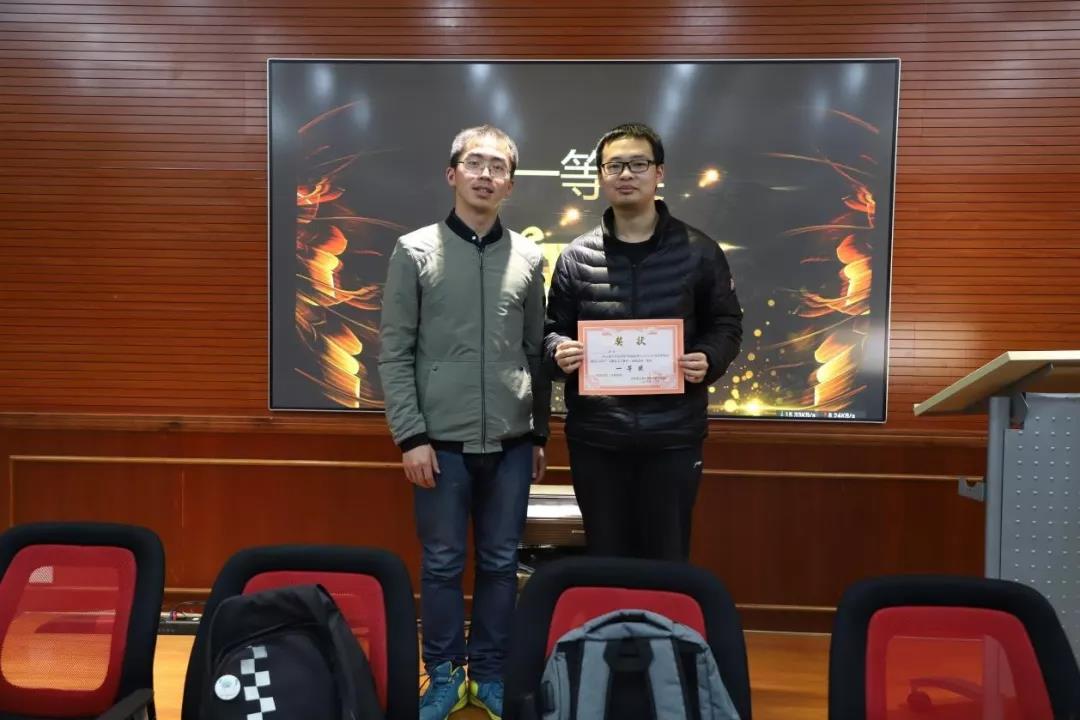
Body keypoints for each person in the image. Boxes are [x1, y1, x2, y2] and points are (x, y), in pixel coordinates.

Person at [379, 124, 549, 720]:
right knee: (443, 565)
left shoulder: (528, 256)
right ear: (452, 174)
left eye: (498, 167)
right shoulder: (414, 251)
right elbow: (394, 352)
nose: (486, 175)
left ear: (511, 184)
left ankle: (492, 674)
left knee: (502, 564)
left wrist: (539, 432)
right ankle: (446, 676)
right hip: (438, 445)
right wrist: (411, 437)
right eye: (475, 163)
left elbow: (535, 352)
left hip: (511, 443)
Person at [544, 122, 742, 562]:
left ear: (659, 173)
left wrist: (709, 357)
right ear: (600, 175)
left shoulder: (699, 250)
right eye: (614, 166)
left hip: (673, 436)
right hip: (597, 437)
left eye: (638, 164)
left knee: (666, 558)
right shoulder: (576, 257)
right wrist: (558, 351)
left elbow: (727, 323)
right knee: (605, 558)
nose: (626, 174)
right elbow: (551, 329)